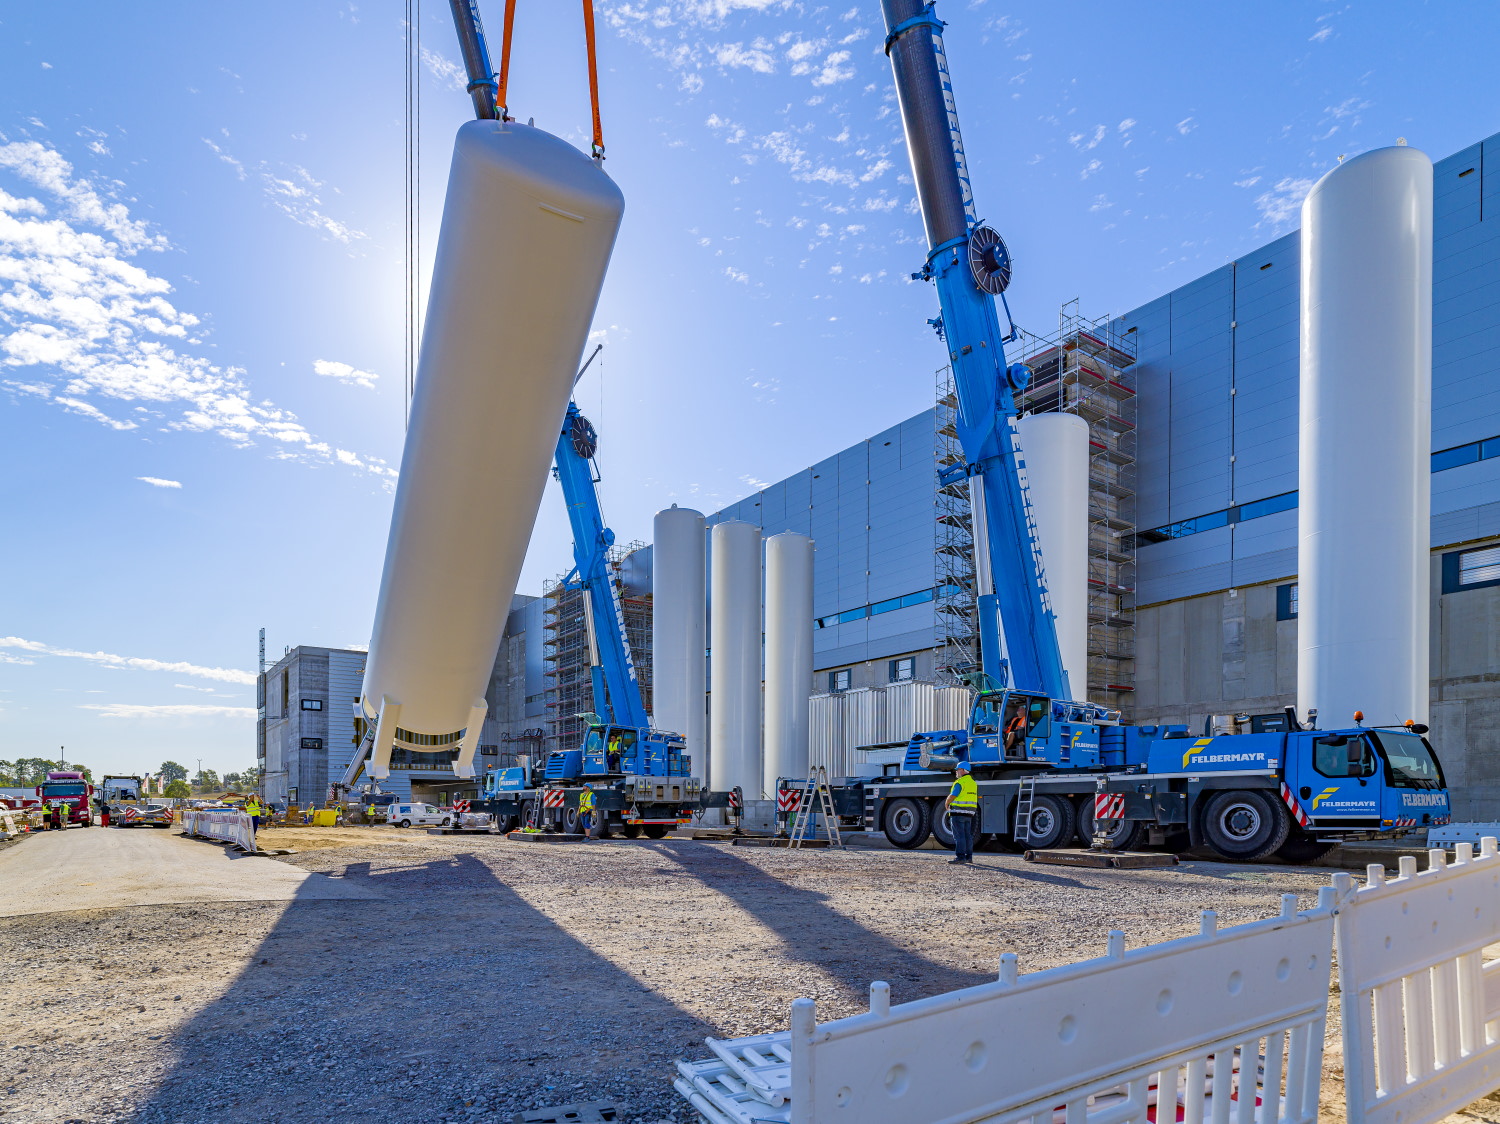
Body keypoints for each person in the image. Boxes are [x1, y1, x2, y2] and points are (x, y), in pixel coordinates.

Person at [944, 762, 979, 865]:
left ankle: (960, 857)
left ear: (963, 770)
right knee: (967, 835)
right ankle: (969, 857)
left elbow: (953, 795)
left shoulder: (960, 782)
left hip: (958, 811)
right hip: (969, 813)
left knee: (959, 836)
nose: (956, 771)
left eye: (958, 769)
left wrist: (947, 802)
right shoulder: (973, 782)